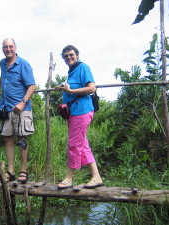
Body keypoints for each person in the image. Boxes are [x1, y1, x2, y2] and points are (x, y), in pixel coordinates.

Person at [0, 38, 36, 183]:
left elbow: (32, 86)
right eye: (5, 47)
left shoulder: (23, 64)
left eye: (10, 46)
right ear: (2, 49)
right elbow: (3, 77)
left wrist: (23, 102)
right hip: (6, 106)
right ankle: (10, 171)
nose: (8, 49)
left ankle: (23, 170)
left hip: (21, 108)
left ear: (15, 48)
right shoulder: (2, 63)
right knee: (7, 138)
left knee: (21, 139)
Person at [55, 45, 103, 189]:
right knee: (83, 145)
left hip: (82, 111)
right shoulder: (72, 72)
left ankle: (69, 178)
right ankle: (96, 177)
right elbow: (71, 86)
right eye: (66, 56)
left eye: (71, 55)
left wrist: (71, 90)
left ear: (77, 55)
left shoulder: (83, 67)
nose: (68, 58)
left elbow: (91, 88)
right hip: (75, 112)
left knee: (74, 145)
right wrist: (62, 86)